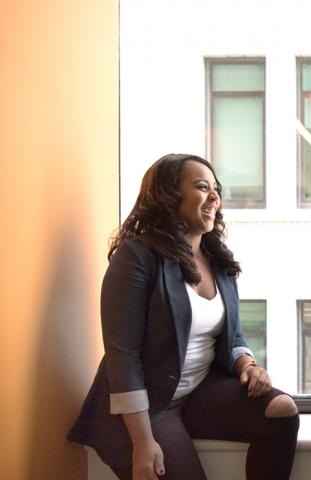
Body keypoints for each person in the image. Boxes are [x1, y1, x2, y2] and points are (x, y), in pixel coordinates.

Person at [68, 154, 299, 480]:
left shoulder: (216, 258)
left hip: (197, 392)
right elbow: (123, 357)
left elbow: (229, 333)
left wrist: (248, 364)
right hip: (148, 410)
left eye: (216, 189)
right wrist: (143, 442)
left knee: (282, 411)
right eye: (202, 187)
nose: (215, 196)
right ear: (168, 195)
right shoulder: (136, 256)